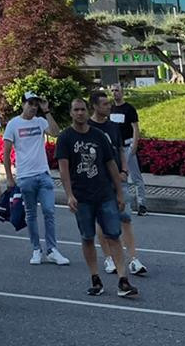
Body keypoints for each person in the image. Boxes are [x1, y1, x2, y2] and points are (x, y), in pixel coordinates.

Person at [54, 98, 135, 299]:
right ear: (71, 113)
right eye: (76, 110)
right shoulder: (65, 138)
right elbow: (63, 169)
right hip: (82, 197)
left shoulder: (98, 136)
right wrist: (69, 195)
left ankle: (123, 279)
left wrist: (119, 192)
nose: (80, 113)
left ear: (87, 111)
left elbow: (111, 164)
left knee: (113, 235)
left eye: (83, 109)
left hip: (104, 194)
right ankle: (95, 278)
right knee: (87, 237)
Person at [3, 92, 68, 265]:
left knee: (49, 211)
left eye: (35, 104)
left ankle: (52, 250)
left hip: (43, 174)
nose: (33, 107)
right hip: (25, 176)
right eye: (30, 103)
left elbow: (56, 133)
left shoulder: (40, 121)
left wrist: (46, 111)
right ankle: (36, 249)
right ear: (23, 104)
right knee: (31, 214)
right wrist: (9, 177)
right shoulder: (13, 124)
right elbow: (6, 153)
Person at [89, 92, 147, 276]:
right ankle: (109, 258)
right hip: (99, 182)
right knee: (102, 220)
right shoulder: (88, 128)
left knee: (125, 218)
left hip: (118, 179)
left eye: (109, 103)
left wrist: (124, 170)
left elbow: (120, 149)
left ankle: (133, 259)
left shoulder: (113, 126)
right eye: (105, 104)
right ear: (95, 106)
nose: (109, 106)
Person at [107, 84, 146, 215]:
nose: (114, 93)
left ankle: (141, 203)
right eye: (112, 91)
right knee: (119, 177)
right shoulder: (111, 109)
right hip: (116, 148)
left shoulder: (129, 109)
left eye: (117, 90)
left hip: (128, 146)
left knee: (135, 177)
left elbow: (135, 128)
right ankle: (121, 203)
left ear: (122, 92)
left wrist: (134, 145)